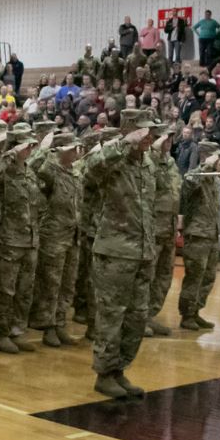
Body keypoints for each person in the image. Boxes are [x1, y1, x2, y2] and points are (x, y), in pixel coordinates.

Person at [86, 113, 157, 398]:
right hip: (115, 251)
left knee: (137, 316)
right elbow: (91, 169)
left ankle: (120, 369)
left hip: (142, 252)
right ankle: (104, 373)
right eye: (145, 132)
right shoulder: (112, 159)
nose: (150, 137)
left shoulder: (147, 163)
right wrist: (123, 142)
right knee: (112, 315)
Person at [0, 128, 42, 354]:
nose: (30, 150)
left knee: (25, 289)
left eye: (31, 146)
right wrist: (10, 153)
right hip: (9, 239)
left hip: (30, 239)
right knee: (5, 290)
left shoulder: (29, 171)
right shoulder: (4, 170)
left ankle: (17, 330)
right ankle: (1, 333)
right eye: (26, 146)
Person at [30, 129, 83, 348]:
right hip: (54, 235)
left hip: (72, 236)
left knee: (67, 284)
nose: (76, 152)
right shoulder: (50, 171)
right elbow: (33, 167)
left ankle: (60, 323)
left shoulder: (75, 172)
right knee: (50, 284)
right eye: (72, 149)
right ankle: (48, 326)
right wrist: (45, 149)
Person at [178, 141, 220, 331]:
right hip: (197, 234)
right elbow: (188, 186)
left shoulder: (214, 178)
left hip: (210, 233)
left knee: (208, 276)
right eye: (217, 156)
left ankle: (196, 310)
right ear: (206, 156)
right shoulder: (196, 174)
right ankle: (187, 314)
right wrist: (205, 166)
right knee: (194, 276)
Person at [145, 128, 180, 337]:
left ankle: (150, 314)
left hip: (169, 225)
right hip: (154, 226)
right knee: (147, 275)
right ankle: (139, 318)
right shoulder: (148, 160)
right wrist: (155, 152)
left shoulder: (172, 163)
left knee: (164, 275)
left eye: (171, 137)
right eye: (164, 137)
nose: (168, 141)